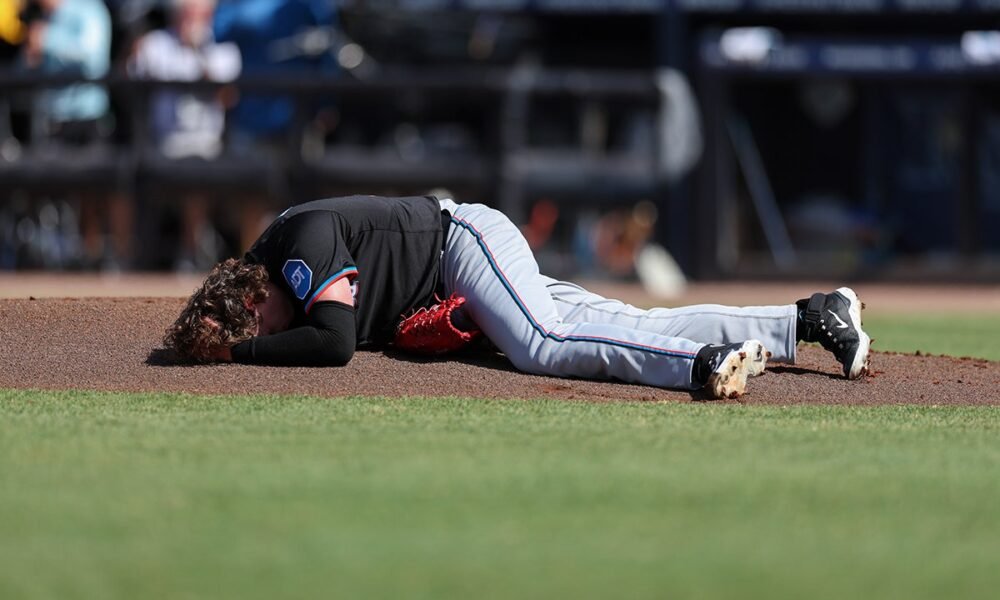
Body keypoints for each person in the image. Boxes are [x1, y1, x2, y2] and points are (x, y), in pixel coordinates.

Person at [165, 195, 872, 399]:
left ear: (251, 300)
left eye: (254, 328)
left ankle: (699, 364)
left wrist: (237, 354)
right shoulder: (277, 262)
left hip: (461, 246)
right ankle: (808, 318)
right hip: (457, 269)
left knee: (545, 345)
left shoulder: (297, 242)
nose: (263, 335)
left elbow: (334, 342)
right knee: (616, 319)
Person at [127, 0, 241, 271]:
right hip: (161, 142)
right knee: (127, 175)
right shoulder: (155, 43)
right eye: (184, 11)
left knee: (195, 178)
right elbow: (129, 78)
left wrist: (197, 52)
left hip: (207, 144)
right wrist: (132, 47)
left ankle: (190, 252)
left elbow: (227, 97)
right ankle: (134, 259)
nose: (189, 18)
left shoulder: (223, 48)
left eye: (196, 12)